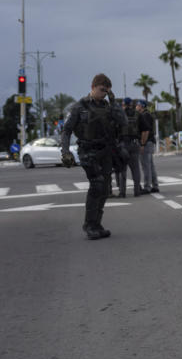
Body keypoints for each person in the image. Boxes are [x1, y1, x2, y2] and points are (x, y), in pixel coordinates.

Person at [60, 73, 127, 240]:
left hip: (105, 151)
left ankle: (97, 224)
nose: (104, 93)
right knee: (96, 186)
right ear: (93, 87)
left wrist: (113, 101)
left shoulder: (108, 106)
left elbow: (123, 121)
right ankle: (89, 225)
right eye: (102, 90)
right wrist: (65, 152)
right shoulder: (79, 107)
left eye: (107, 91)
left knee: (104, 189)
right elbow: (67, 131)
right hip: (88, 152)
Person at [111, 97, 142, 198]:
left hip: (123, 144)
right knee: (135, 169)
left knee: (122, 169)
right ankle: (137, 191)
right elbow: (143, 129)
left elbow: (114, 129)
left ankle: (122, 192)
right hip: (135, 143)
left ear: (123, 104)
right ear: (132, 104)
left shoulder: (119, 115)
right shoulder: (137, 114)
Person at [135, 99, 159, 193]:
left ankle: (147, 187)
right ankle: (155, 185)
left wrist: (142, 144)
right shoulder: (148, 114)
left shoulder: (143, 115)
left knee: (146, 166)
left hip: (146, 142)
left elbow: (146, 131)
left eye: (137, 105)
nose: (136, 107)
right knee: (151, 166)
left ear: (141, 106)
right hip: (150, 142)